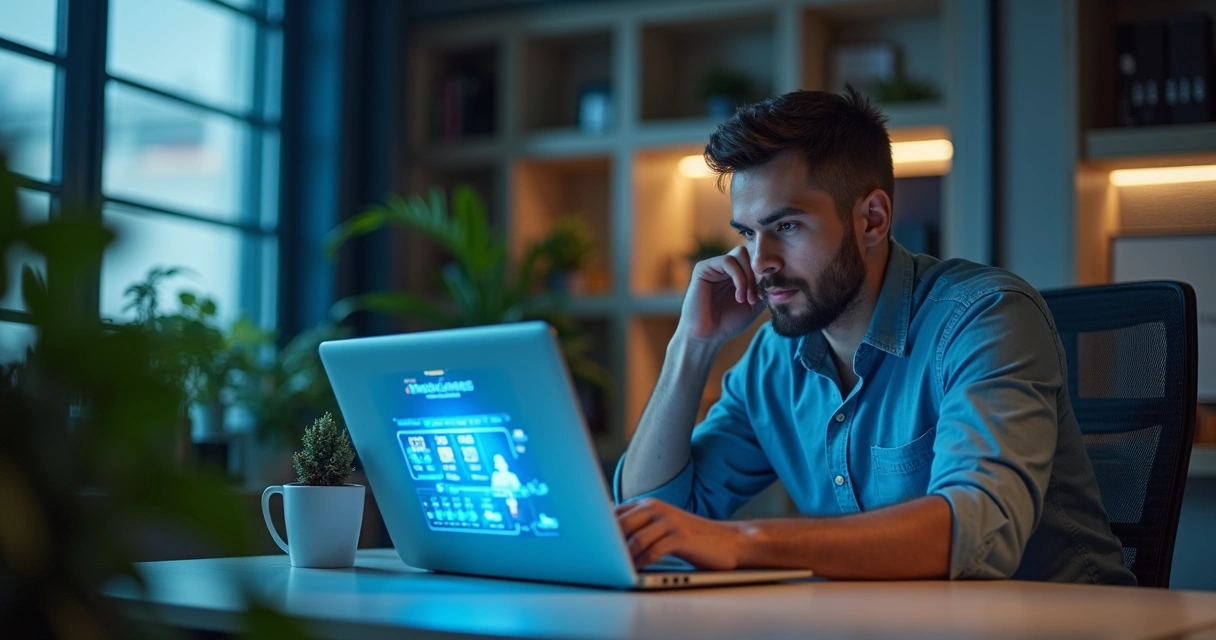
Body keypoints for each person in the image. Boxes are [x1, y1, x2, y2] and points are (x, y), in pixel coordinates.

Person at [613, 88, 1135, 584]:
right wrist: (692, 345)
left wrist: (745, 540)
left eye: (787, 227)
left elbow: (977, 531)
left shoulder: (985, 318)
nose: (760, 262)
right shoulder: (774, 358)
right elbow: (653, 521)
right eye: (747, 234)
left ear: (873, 219)